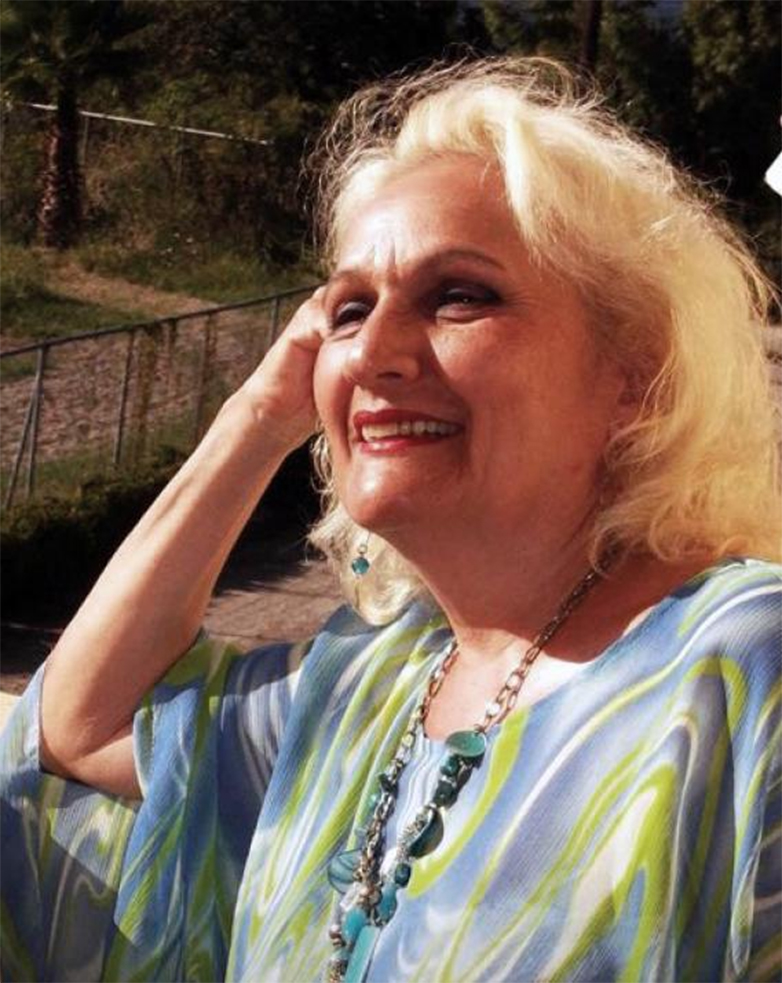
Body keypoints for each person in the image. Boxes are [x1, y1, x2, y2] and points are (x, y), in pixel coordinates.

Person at [1, 57, 780, 983]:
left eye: (460, 294)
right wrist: (258, 416)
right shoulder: (369, 680)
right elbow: (80, 724)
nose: (374, 350)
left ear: (634, 378)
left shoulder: (741, 666)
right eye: (348, 310)